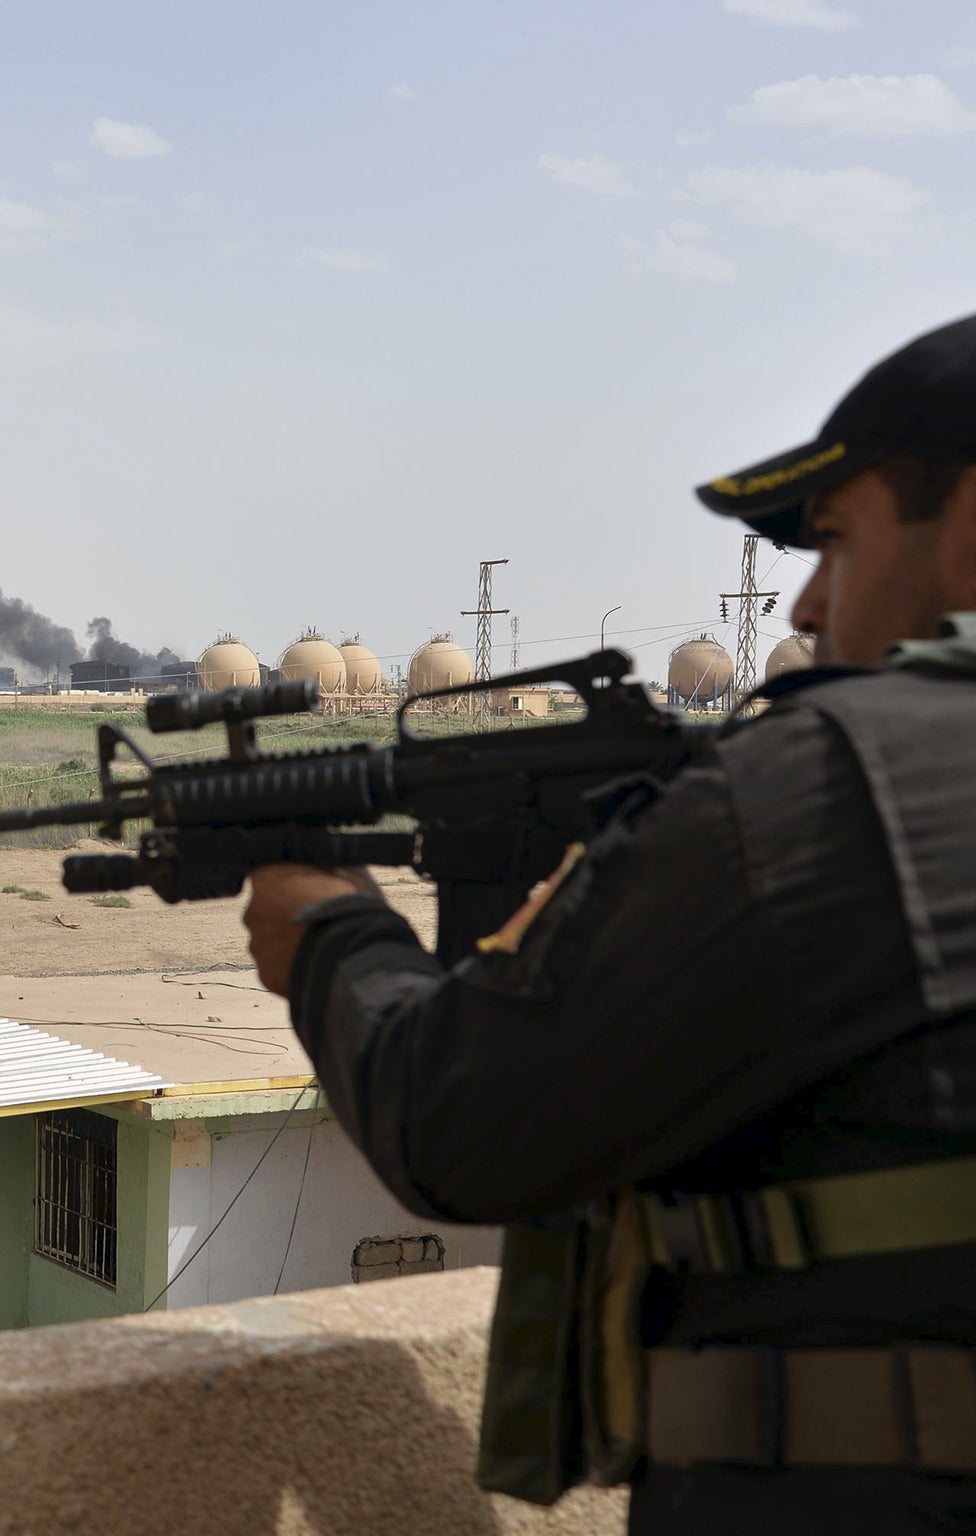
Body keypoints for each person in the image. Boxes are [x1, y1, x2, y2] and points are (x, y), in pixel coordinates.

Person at [242, 312, 976, 1534]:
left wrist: (327, 934)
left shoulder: (846, 777)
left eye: (836, 540)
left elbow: (458, 1124)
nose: (804, 596)